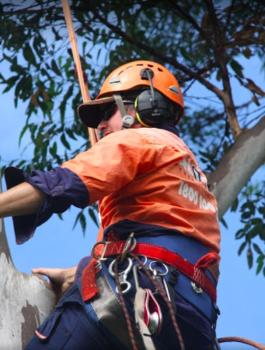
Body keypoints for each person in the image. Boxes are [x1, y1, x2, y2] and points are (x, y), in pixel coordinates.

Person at [0, 60, 221, 350]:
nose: (101, 125)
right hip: (194, 326)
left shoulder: (141, 139)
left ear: (146, 105)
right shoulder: (190, 175)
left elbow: (62, 184)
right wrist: (75, 272)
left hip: (136, 297)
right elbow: (167, 248)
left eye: (108, 111)